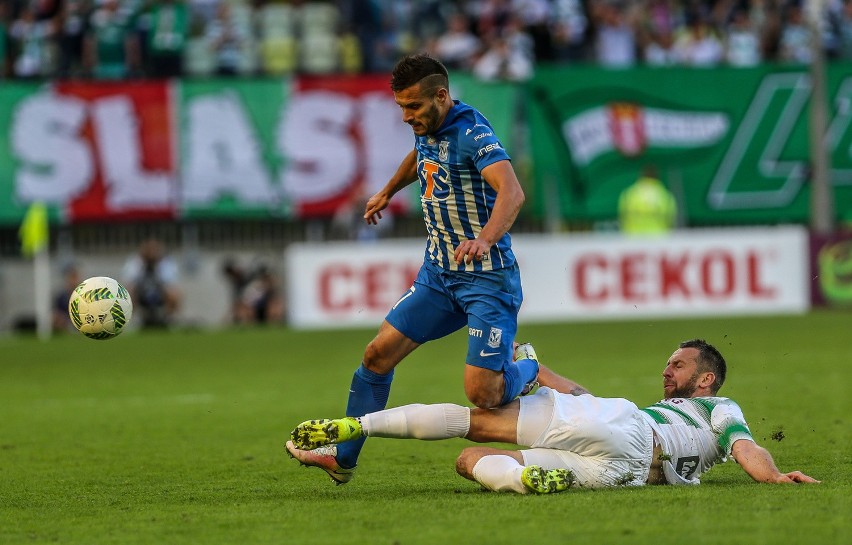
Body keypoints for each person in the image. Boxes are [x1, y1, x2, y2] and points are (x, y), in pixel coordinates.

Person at [285, 53, 535, 484]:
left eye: (414, 106)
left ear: (442, 95)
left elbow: (512, 193)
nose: (406, 116)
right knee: (376, 355)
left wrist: (483, 239)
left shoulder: (474, 133)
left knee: (483, 394)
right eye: (401, 107)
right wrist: (386, 191)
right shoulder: (429, 128)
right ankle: (343, 458)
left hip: (487, 280)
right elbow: (420, 158)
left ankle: (526, 365)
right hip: (439, 276)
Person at [287, 340, 819, 493]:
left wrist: (772, 474)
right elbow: (584, 397)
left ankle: (361, 426)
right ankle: (525, 480)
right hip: (629, 475)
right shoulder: (684, 416)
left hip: (629, 431)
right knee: (469, 460)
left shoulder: (716, 406)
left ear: (706, 379)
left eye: (677, 365)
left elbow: (745, 445)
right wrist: (542, 372)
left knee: (476, 420)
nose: (666, 371)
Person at [121, 237, 181, 328]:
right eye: (149, 249)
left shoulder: (166, 262)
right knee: (128, 294)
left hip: (160, 292)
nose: (151, 253)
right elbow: (129, 281)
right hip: (141, 292)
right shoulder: (135, 262)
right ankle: (128, 323)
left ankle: (167, 321)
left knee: (174, 294)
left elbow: (170, 283)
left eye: (154, 249)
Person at [618, 164, 677, 235]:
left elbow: (622, 217)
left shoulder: (629, 193)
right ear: (657, 177)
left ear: (641, 176)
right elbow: (670, 220)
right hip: (658, 239)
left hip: (633, 239)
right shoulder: (665, 195)